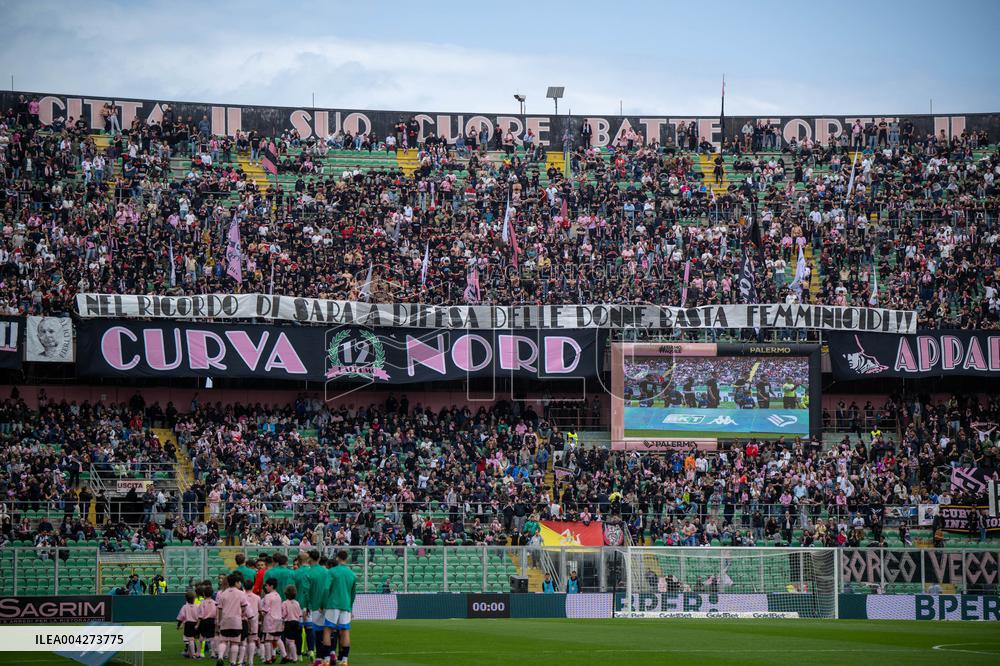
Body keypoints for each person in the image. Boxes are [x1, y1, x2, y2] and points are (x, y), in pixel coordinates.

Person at [323, 550, 357, 666]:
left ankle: (327, 659)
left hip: (333, 604)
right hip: (346, 605)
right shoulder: (352, 574)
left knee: (327, 630)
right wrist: (350, 607)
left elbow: (326, 589)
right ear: (346, 559)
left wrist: (324, 603)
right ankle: (344, 660)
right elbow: (353, 594)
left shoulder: (332, 571)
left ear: (337, 558)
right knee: (345, 631)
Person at [215, 573, 248, 666]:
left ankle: (220, 657)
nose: (240, 584)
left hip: (225, 620)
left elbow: (220, 609)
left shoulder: (223, 594)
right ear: (237, 582)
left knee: (223, 641)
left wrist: (220, 621)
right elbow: (244, 607)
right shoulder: (241, 593)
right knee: (235, 642)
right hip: (236, 621)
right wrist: (240, 612)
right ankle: (232, 662)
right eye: (239, 582)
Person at [281, 585, 303, 662]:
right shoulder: (297, 603)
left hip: (288, 623)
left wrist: (281, 620)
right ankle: (291, 656)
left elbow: (284, 614)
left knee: (289, 641)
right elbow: (300, 614)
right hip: (297, 623)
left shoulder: (284, 603)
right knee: (292, 640)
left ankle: (294, 658)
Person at [177, 591, 200, 658]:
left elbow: (181, 617)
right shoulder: (197, 606)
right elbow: (200, 616)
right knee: (194, 639)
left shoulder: (184, 607)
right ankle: (189, 653)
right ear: (194, 598)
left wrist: (178, 625)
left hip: (188, 624)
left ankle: (193, 655)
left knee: (190, 640)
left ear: (186, 599)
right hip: (196, 624)